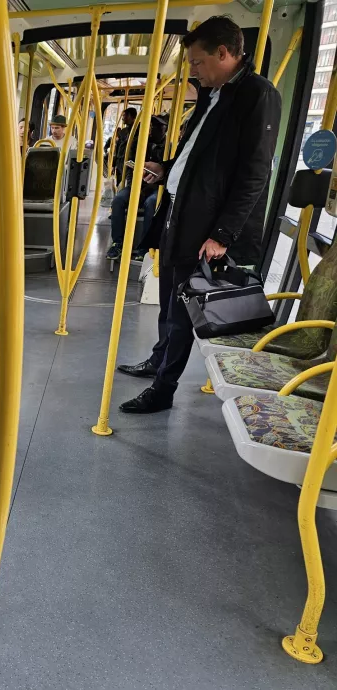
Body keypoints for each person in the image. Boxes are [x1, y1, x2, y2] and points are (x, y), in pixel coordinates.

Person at [117, 16, 282, 414]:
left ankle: (163, 388)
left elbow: (254, 174)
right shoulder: (213, 96)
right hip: (181, 213)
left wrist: (223, 234)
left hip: (207, 226)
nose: (192, 70)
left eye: (197, 62)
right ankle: (158, 359)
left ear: (224, 54)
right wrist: (165, 169)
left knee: (182, 310)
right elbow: (196, 157)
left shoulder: (257, 96)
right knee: (170, 300)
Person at [105, 115, 166, 261]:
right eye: (148, 128)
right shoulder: (138, 144)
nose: (150, 132)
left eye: (153, 129)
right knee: (118, 200)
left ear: (162, 130)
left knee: (152, 203)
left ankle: (145, 246)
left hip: (157, 188)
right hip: (137, 185)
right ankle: (117, 242)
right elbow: (128, 165)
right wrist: (135, 187)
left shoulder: (167, 147)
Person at [106, 107, 138, 183]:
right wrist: (114, 164)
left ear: (130, 116)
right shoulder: (123, 131)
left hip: (130, 163)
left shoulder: (139, 130)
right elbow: (118, 149)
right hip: (120, 162)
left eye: (124, 116)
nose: (122, 118)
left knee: (129, 184)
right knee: (119, 183)